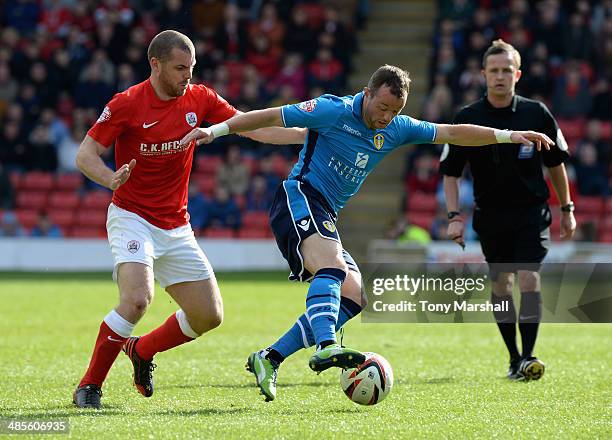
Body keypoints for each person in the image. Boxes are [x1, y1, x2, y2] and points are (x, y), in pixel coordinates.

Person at [180, 64, 554, 401]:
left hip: (325, 212)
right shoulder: (333, 110)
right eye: (383, 108)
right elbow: (271, 116)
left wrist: (508, 136)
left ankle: (269, 357)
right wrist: (217, 131)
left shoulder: (396, 128)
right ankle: (326, 345)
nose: (387, 118)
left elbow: (451, 132)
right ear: (368, 93)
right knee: (332, 269)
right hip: (299, 196)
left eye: (395, 112)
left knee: (356, 296)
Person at [73, 30, 305, 409]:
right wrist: (108, 178)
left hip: (175, 225)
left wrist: (303, 134)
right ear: (156, 64)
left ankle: (142, 350)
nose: (188, 76)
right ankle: (89, 386)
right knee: (136, 300)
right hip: (132, 216)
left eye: (192, 68)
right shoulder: (127, 103)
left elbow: (251, 125)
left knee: (208, 315)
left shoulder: (200, 98)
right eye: (181, 68)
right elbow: (86, 154)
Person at [439, 39, 576, 381]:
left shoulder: (537, 113)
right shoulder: (468, 118)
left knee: (528, 278)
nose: (500, 76)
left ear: (518, 74)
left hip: (531, 213)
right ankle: (514, 357)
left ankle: (529, 356)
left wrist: (567, 208)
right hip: (491, 216)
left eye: (506, 70)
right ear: (483, 74)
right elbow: (451, 173)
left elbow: (556, 165)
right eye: (493, 70)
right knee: (502, 285)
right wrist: (454, 217)